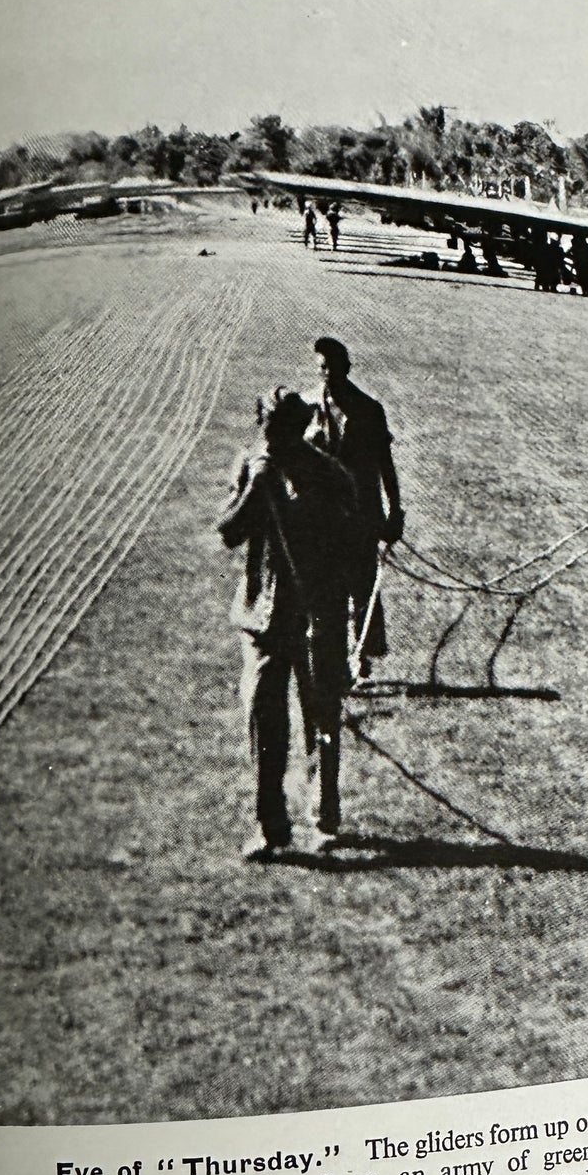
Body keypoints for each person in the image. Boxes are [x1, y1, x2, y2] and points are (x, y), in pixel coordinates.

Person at [218, 388, 361, 857]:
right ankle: (270, 825)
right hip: (265, 620)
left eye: (280, 433)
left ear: (299, 430)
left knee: (321, 718)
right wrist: (255, 490)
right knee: (265, 721)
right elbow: (228, 532)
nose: (271, 441)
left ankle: (324, 818)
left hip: (316, 616)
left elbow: (353, 546)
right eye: (266, 431)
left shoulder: (329, 475)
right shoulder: (255, 465)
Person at [306, 337, 405, 676]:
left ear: (347, 367)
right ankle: (328, 658)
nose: (328, 373)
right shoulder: (308, 407)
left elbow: (385, 464)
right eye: (322, 367)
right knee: (324, 589)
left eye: (334, 366)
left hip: (363, 517)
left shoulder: (369, 410)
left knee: (362, 588)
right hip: (322, 518)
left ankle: (361, 655)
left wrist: (395, 511)